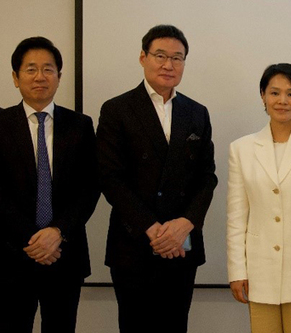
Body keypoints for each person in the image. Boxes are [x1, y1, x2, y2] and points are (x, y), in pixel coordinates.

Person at [97, 25, 218, 333]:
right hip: (134, 244)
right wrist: (153, 230)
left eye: (177, 58)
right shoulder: (117, 109)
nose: (168, 65)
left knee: (176, 326)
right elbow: (110, 178)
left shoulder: (197, 112)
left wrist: (185, 224)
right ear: (143, 57)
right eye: (160, 56)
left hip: (182, 244)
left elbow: (207, 177)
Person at [0, 37, 99, 332]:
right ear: (15, 77)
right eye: (31, 69)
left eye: (48, 69)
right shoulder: (1, 124)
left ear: (59, 76)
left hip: (64, 254)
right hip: (11, 256)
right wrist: (33, 240)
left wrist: (57, 233)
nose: (40, 77)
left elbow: (90, 187)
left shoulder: (80, 125)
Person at [227, 63, 291, 333]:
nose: (282, 101)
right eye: (274, 93)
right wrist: (237, 271)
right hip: (259, 273)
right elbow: (236, 217)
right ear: (263, 96)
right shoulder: (242, 148)